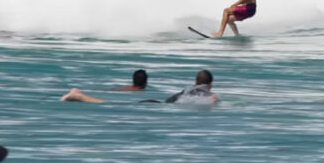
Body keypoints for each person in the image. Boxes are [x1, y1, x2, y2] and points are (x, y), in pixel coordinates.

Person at [62, 70, 219, 104]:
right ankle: (79, 96)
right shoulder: (204, 93)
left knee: (115, 104)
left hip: (158, 102)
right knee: (113, 105)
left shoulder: (188, 88)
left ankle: (79, 95)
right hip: (157, 105)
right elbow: (206, 99)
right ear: (210, 85)